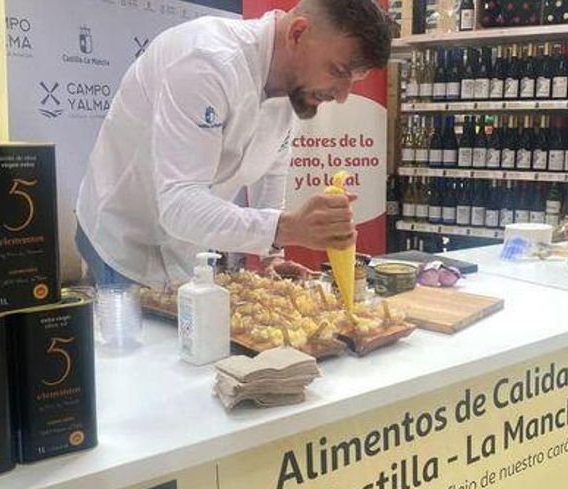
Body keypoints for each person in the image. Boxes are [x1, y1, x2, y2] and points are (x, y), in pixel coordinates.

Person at [75, 0, 391, 288]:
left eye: (353, 80)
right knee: (136, 335)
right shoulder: (205, 63)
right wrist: (285, 228)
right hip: (123, 242)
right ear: (297, 33)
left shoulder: (293, 83)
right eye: (338, 71)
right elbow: (179, 204)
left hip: (186, 253)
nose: (342, 96)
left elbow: (273, 171)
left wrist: (271, 256)